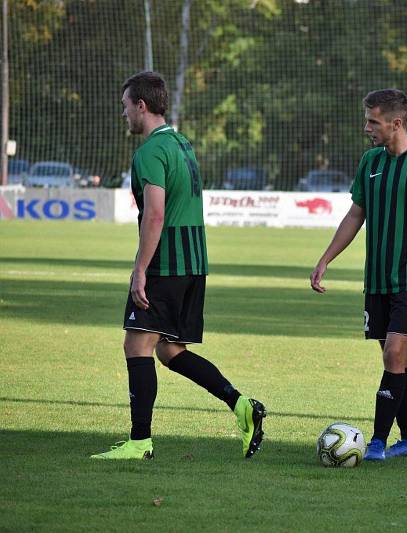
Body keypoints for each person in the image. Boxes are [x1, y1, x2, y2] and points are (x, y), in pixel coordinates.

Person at [91, 71, 266, 460]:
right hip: (193, 261)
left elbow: (155, 214)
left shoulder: (150, 152)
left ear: (141, 105)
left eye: (125, 107)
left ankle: (139, 442)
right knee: (170, 351)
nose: (123, 115)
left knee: (136, 344)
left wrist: (140, 269)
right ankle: (242, 406)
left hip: (165, 263)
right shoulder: (182, 144)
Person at [310, 89, 407, 461]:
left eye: (373, 121)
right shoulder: (370, 162)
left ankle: (376, 442)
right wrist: (326, 258)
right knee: (396, 359)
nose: (367, 128)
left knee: (395, 351)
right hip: (377, 279)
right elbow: (355, 215)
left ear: (396, 123)